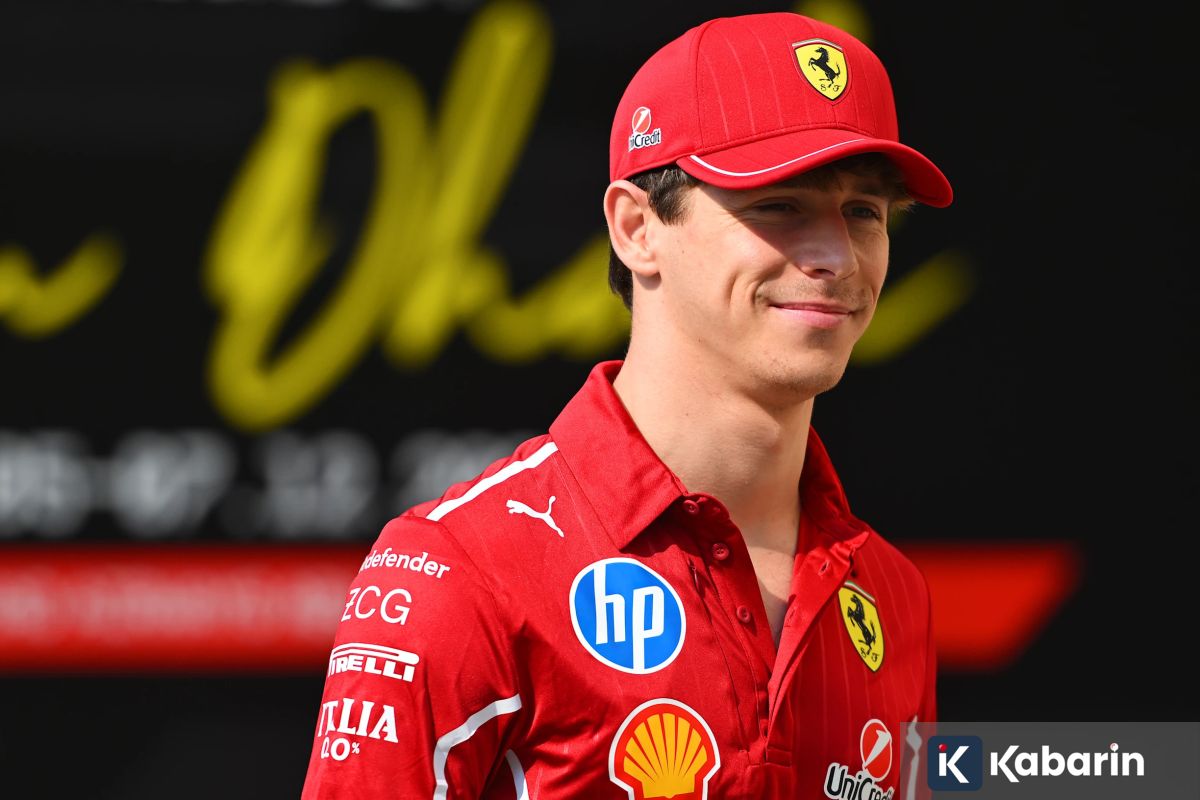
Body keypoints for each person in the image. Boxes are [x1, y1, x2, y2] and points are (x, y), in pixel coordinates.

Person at [300, 10, 951, 799]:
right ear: (636, 227)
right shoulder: (457, 567)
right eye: (779, 205)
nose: (837, 256)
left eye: (865, 212)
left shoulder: (893, 594)